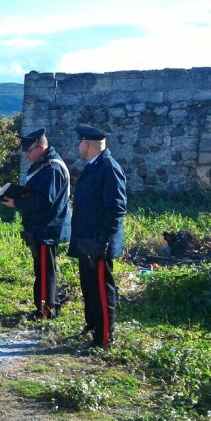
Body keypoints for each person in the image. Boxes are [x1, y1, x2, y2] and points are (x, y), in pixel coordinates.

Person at [1, 128, 71, 319]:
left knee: (45, 271)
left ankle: (45, 311)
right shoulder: (43, 164)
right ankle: (47, 307)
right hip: (40, 227)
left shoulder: (52, 168)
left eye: (29, 150)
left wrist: (17, 203)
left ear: (41, 147)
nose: (26, 154)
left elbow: (45, 202)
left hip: (47, 228)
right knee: (42, 270)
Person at [68, 124, 127, 348]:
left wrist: (104, 241)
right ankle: (92, 326)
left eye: (80, 143)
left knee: (102, 290)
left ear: (86, 144)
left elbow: (116, 209)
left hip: (98, 243)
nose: (79, 147)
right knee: (89, 287)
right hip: (87, 241)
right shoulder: (94, 166)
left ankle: (103, 338)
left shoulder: (108, 167)